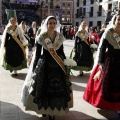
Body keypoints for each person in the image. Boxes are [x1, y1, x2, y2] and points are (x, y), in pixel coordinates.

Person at [21, 16, 73, 120]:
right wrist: (34, 68)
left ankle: (52, 112)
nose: (52, 25)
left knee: (56, 90)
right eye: (50, 23)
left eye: (54, 23)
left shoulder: (59, 36)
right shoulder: (42, 37)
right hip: (45, 65)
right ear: (47, 24)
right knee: (43, 89)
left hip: (57, 66)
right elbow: (37, 55)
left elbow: (61, 52)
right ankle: (44, 110)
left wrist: (66, 63)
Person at [83, 12, 120, 112]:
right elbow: (103, 48)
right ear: (115, 21)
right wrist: (101, 62)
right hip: (111, 61)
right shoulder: (109, 32)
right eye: (118, 20)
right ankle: (105, 104)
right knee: (107, 83)